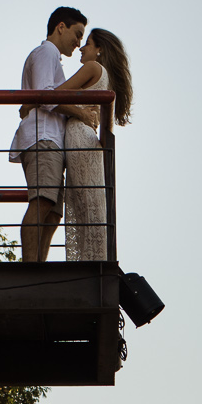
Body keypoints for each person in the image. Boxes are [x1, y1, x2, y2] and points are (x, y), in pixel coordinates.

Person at [9, 6, 86, 263]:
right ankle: (31, 268)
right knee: (42, 203)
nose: (79, 42)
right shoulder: (46, 52)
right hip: (43, 138)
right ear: (60, 27)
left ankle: (39, 264)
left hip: (52, 140)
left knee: (53, 212)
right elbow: (45, 95)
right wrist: (82, 113)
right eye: (77, 34)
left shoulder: (52, 57)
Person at [57, 26, 132, 262]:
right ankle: (94, 261)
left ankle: (87, 263)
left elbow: (54, 95)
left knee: (83, 203)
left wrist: (77, 111)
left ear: (99, 50)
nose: (81, 47)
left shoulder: (92, 67)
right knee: (89, 205)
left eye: (87, 43)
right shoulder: (106, 78)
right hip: (89, 143)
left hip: (80, 137)